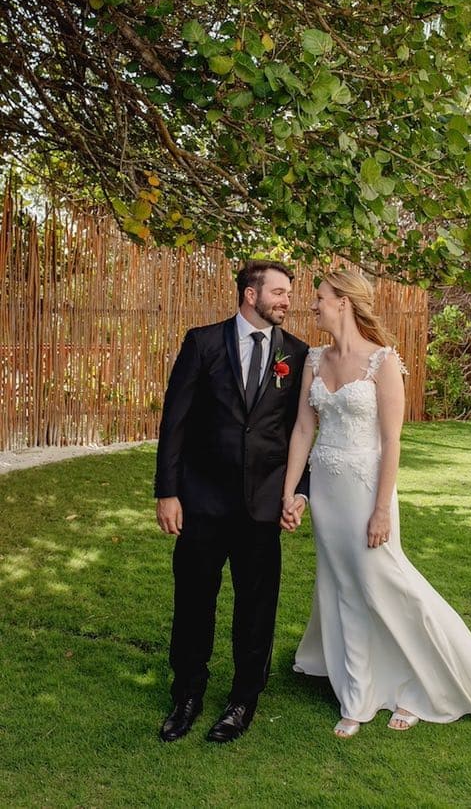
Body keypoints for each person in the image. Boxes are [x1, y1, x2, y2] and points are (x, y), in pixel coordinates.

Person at [281, 270, 471, 738]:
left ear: (344, 302)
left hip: (368, 489)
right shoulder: (313, 359)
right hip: (326, 488)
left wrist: (382, 508)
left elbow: (392, 441)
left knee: (387, 584)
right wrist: (291, 492)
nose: (314, 306)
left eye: (320, 298)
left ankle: (420, 685)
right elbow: (304, 430)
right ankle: (358, 692)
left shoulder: (383, 362)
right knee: (342, 586)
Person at [155, 259, 309, 744]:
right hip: (201, 501)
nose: (287, 301)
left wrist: (299, 492)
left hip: (263, 506)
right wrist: (168, 491)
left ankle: (243, 699)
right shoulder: (201, 343)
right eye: (279, 292)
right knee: (194, 601)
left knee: (257, 607)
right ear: (250, 294)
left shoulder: (298, 354)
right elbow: (174, 422)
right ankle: (187, 694)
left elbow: (303, 433)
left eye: (288, 293)